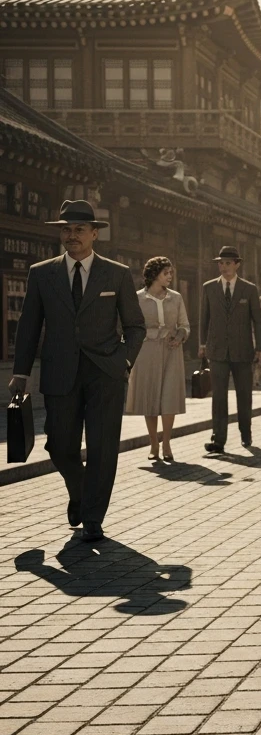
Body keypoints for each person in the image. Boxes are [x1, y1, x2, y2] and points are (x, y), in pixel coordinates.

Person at [7, 200, 145, 542]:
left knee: (102, 446)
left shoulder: (117, 273)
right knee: (58, 444)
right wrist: (20, 372)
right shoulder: (42, 273)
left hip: (106, 372)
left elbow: (136, 326)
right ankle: (79, 489)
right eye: (66, 230)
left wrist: (124, 361)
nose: (72, 235)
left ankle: (93, 518)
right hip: (59, 371)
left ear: (94, 234)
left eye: (79, 230)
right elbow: (28, 326)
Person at [199, 246, 261, 454]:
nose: (224, 267)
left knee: (244, 395)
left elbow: (258, 321)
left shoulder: (249, 289)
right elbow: (204, 318)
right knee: (218, 396)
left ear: (237, 264)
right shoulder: (209, 288)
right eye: (221, 263)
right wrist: (203, 344)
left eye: (228, 263)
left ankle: (245, 434)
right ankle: (218, 439)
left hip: (243, 351)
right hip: (217, 351)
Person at [126, 256, 190, 462]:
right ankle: (153, 443)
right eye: (166, 273)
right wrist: (155, 334)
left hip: (172, 352)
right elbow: (132, 328)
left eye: (171, 273)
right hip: (146, 352)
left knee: (169, 397)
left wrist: (180, 336)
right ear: (154, 274)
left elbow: (184, 325)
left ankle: (167, 443)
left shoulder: (176, 298)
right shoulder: (137, 298)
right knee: (149, 397)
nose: (170, 277)